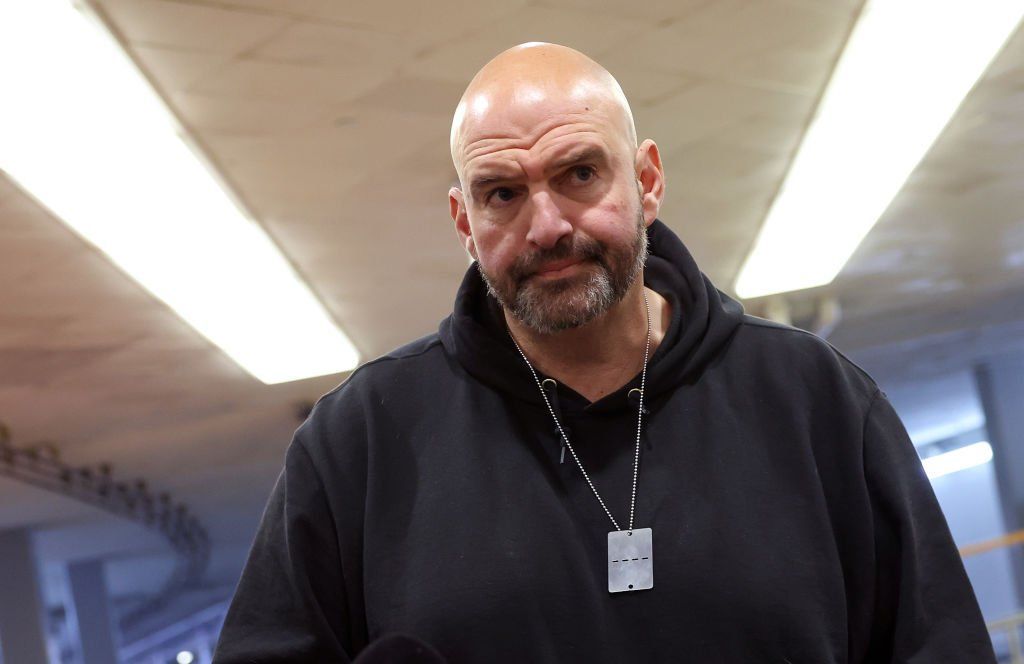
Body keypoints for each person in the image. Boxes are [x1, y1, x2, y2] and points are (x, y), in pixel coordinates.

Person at [213, 43, 996, 663]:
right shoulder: (359, 443)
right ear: (464, 222)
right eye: (502, 193)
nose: (547, 225)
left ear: (647, 180)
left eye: (580, 173)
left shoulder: (816, 401)